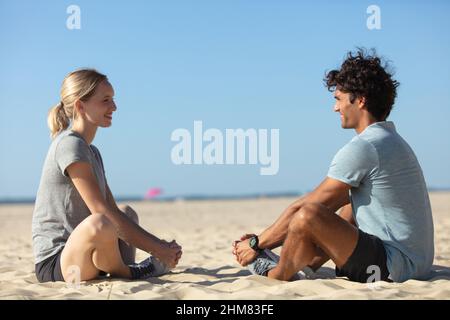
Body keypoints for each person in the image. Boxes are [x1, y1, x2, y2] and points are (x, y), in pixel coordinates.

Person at [232, 49, 434, 283]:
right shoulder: (390, 140)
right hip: (415, 264)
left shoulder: (365, 146)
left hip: (391, 268)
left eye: (338, 99)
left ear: (359, 100)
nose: (335, 108)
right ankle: (310, 264)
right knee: (350, 200)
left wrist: (256, 242)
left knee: (308, 214)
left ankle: (279, 273)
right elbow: (335, 204)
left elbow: (308, 207)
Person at [32, 69, 182, 283]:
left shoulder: (92, 152)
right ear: (80, 106)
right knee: (100, 223)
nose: (114, 107)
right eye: (105, 100)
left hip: (91, 254)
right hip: (60, 262)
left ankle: (125, 268)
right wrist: (158, 249)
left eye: (113, 99)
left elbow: (111, 210)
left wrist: (161, 247)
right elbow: (101, 212)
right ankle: (129, 272)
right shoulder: (69, 144)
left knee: (126, 213)